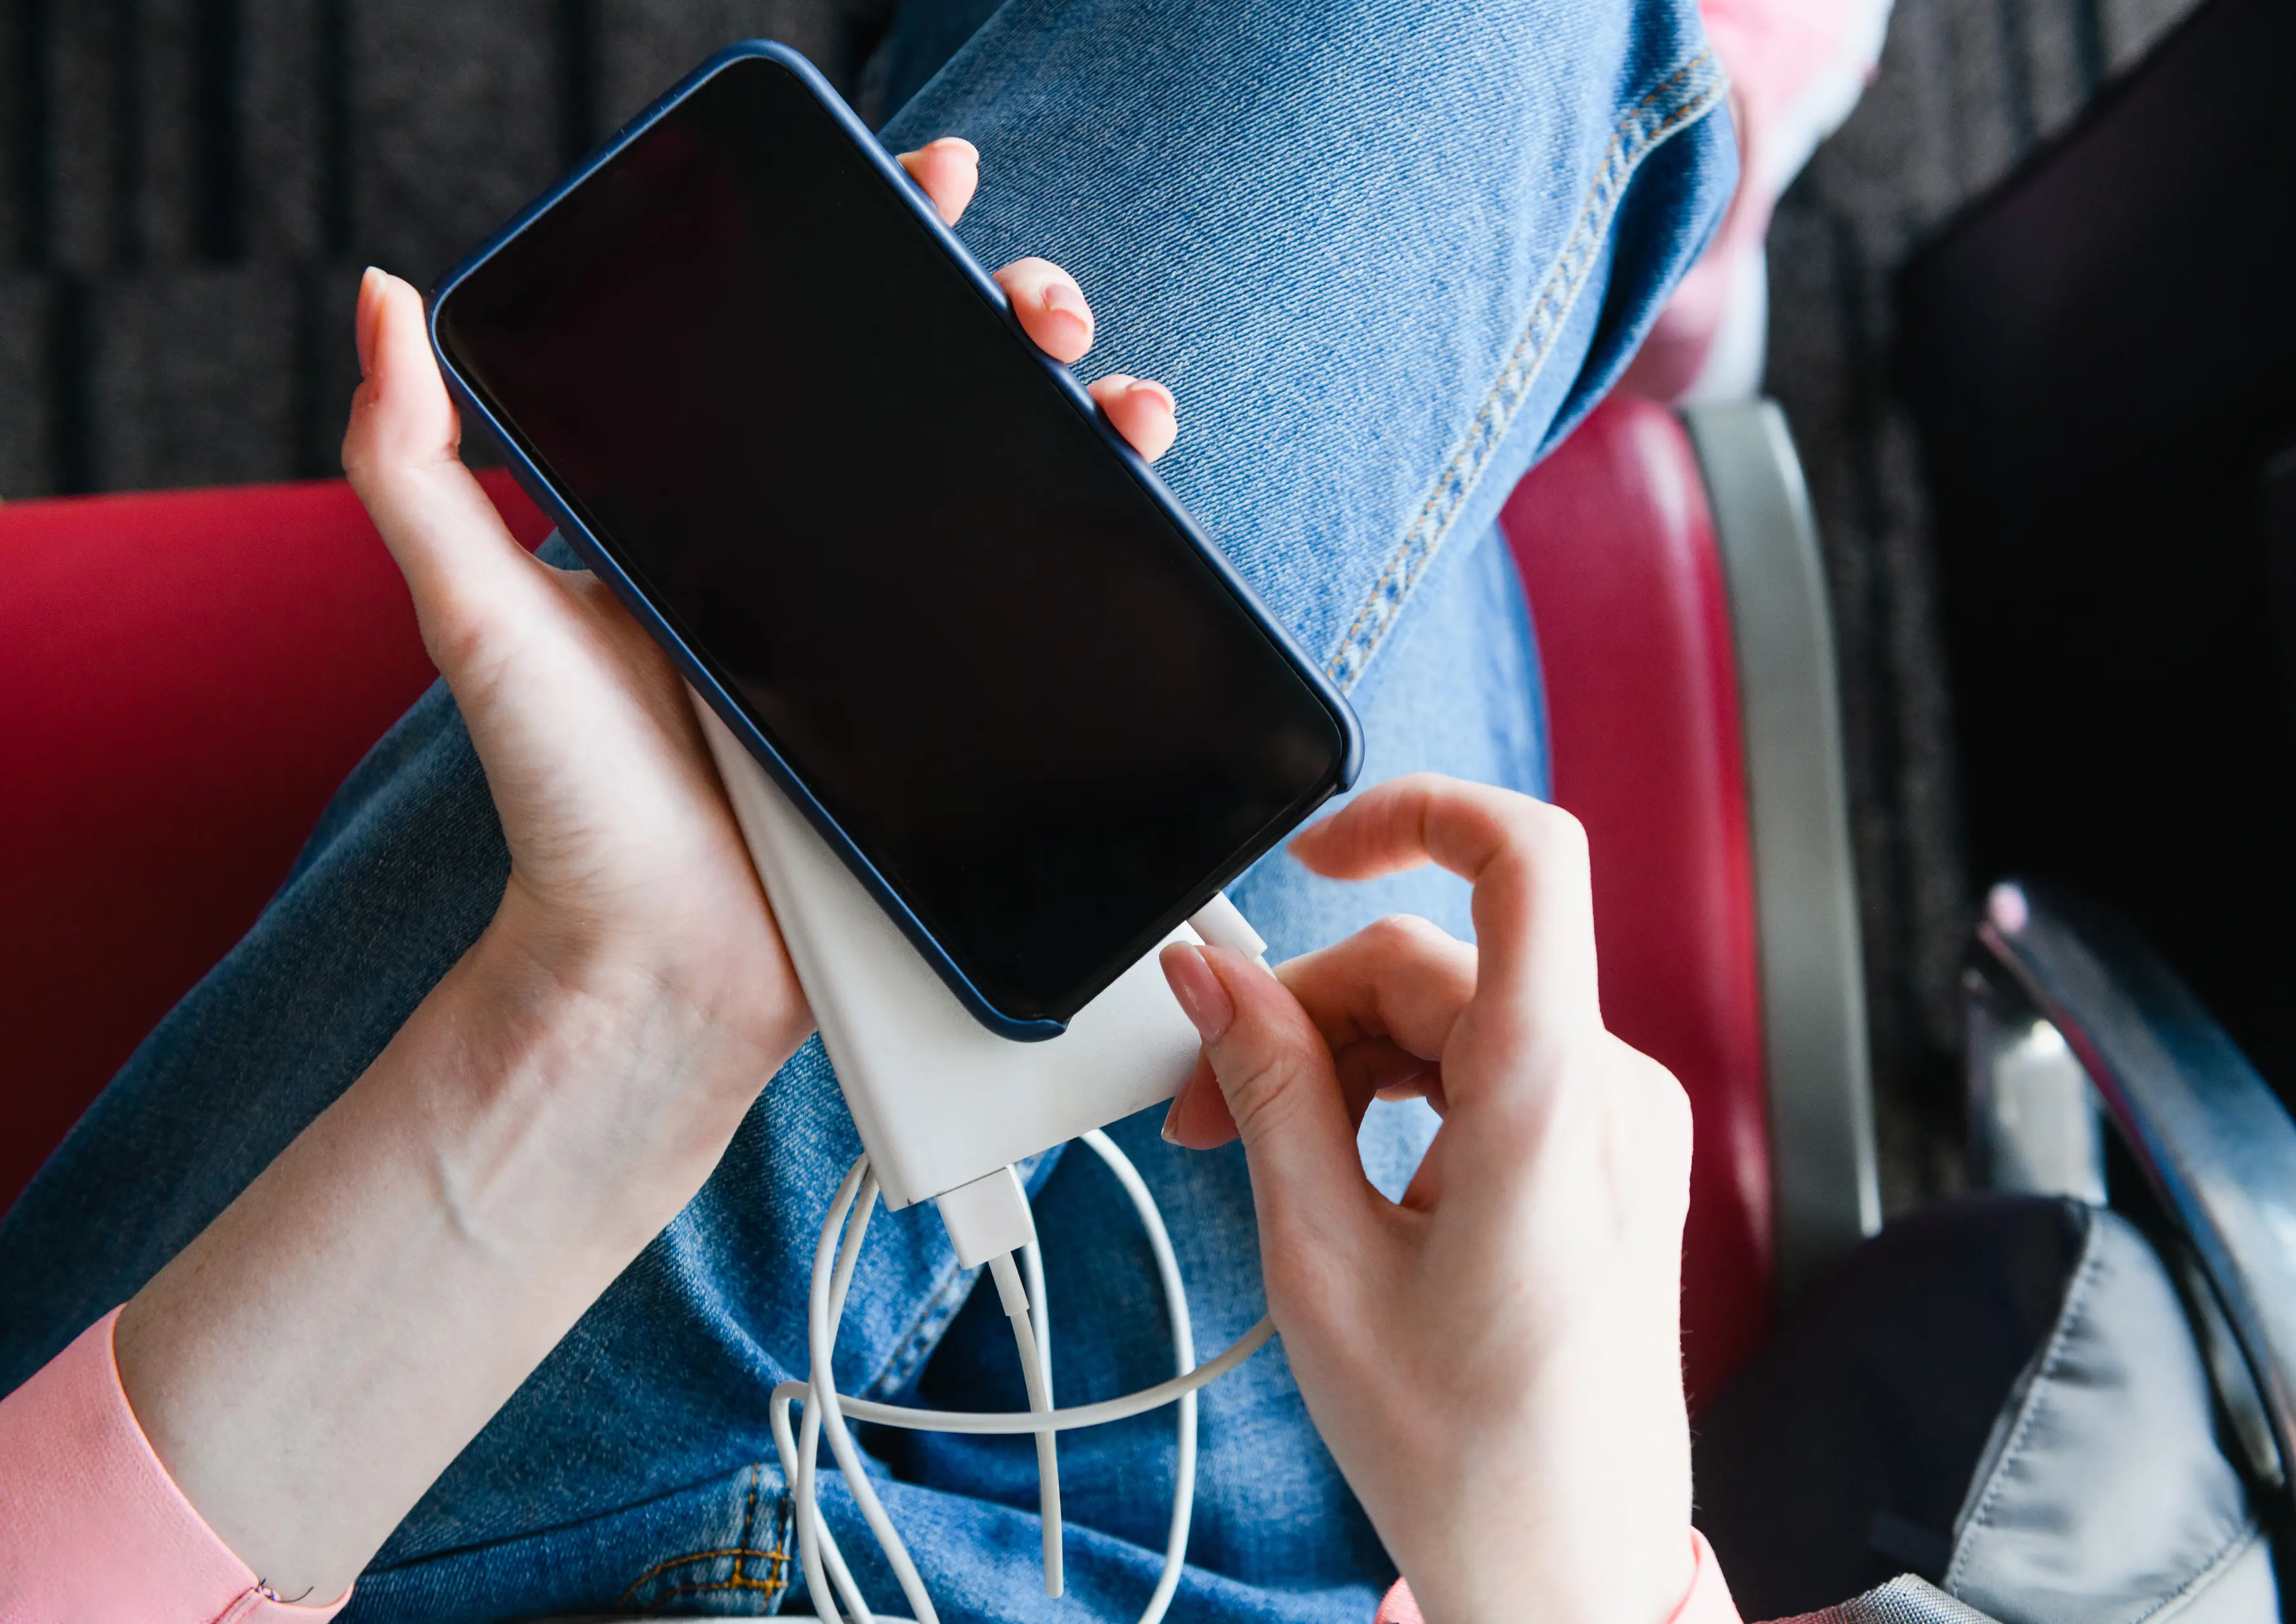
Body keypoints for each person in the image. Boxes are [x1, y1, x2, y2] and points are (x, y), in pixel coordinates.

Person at [0, 0, 1891, 1618]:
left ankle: (1608, 204)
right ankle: (1634, 207)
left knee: (1204, 301)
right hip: (1318, 1560)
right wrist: (1581, 1571)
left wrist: (626, 1015)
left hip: (340, 1486)